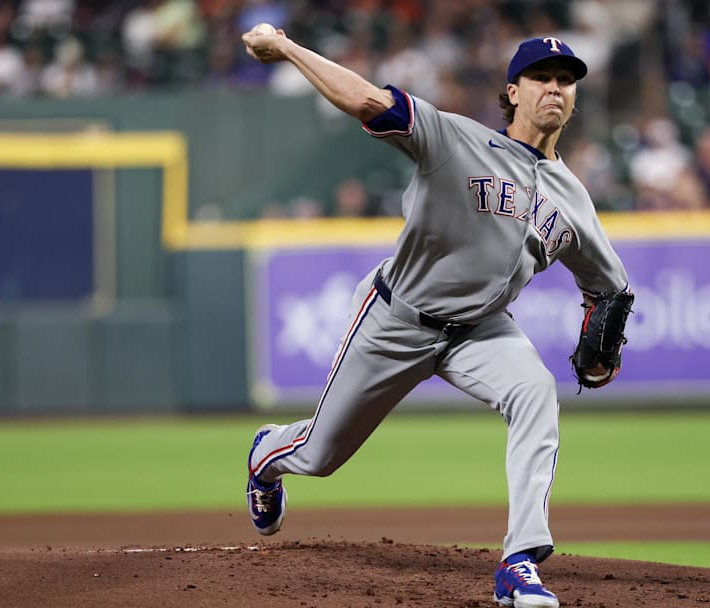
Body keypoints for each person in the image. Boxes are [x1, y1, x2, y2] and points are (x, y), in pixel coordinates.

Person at [241, 25, 631, 608]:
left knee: (535, 394)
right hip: (397, 318)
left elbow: (610, 286)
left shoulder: (573, 198)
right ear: (513, 92)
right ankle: (267, 456)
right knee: (319, 457)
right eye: (542, 78)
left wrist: (604, 337)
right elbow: (366, 100)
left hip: (481, 330)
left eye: (566, 81)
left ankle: (519, 562)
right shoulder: (454, 139)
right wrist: (290, 49)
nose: (555, 88)